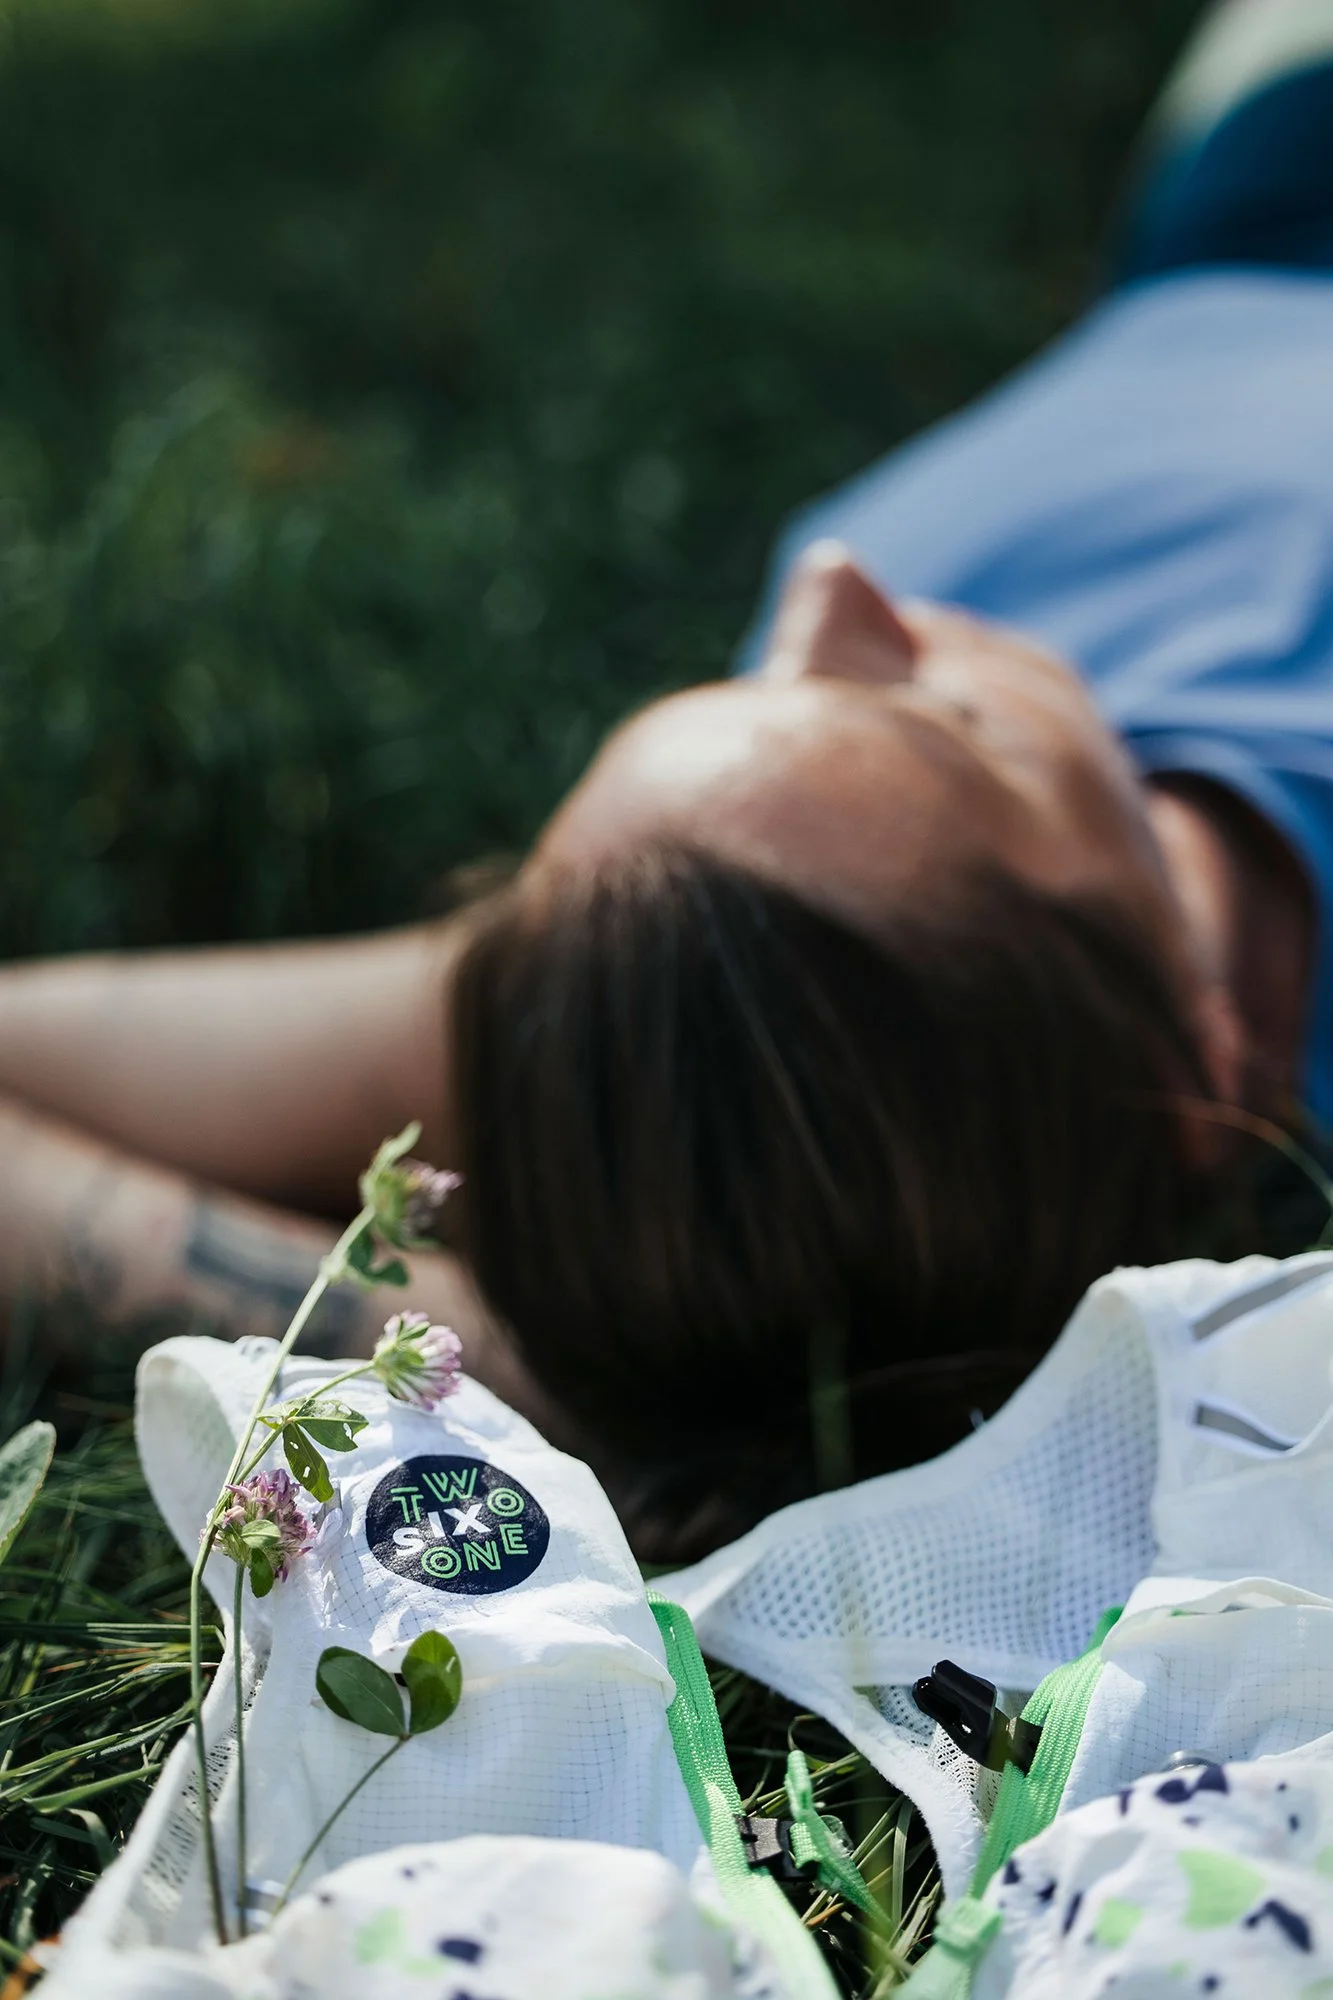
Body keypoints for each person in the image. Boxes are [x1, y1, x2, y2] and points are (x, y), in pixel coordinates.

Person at [1, 0, 1331, 1558]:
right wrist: (499, 1376)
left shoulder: (730, 942)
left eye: (765, 679)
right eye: (937, 731)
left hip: (1248, 200)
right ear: (1202, 1061)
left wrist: (427, 1344)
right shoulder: (851, 988)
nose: (839, 587)